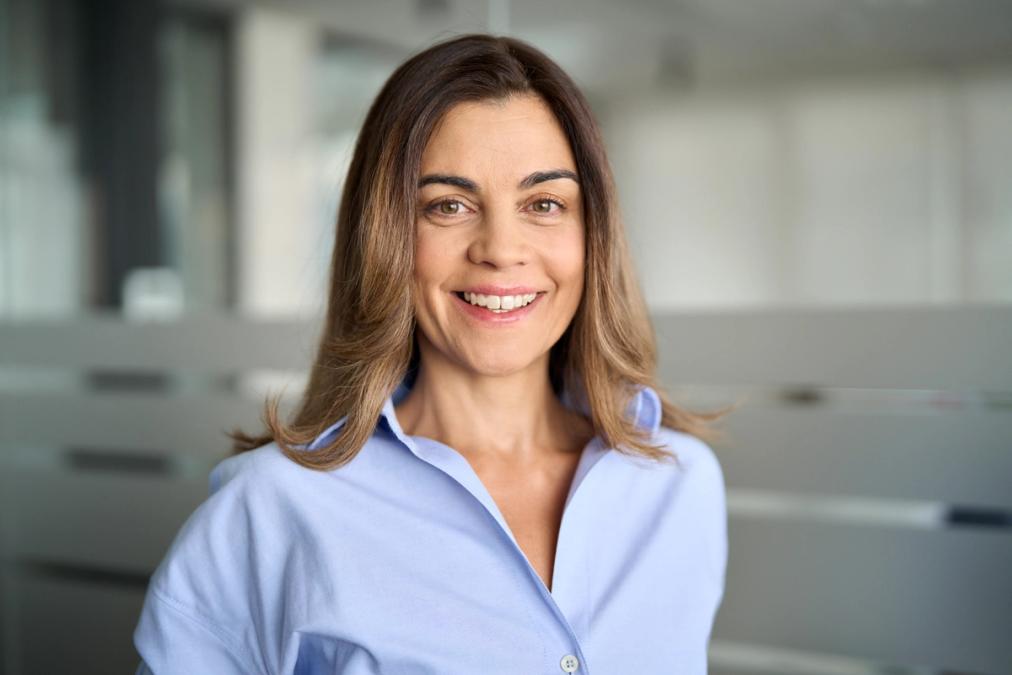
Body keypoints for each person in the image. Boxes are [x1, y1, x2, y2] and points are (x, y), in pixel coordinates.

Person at [133, 32, 732, 674]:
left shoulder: (678, 485)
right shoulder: (272, 510)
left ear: (593, 236)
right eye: (448, 205)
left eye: (544, 204)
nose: (500, 249)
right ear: (385, 237)